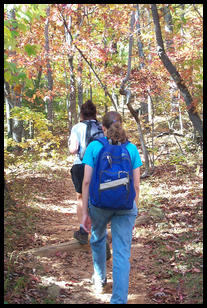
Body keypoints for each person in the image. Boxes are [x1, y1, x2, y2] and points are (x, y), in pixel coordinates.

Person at [81, 111, 142, 304]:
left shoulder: (94, 147)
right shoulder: (131, 148)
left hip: (99, 204)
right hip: (125, 206)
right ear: (121, 126)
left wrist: (85, 213)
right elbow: (137, 185)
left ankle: (100, 280)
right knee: (122, 253)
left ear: (103, 128)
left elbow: (86, 182)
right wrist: (134, 210)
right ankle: (118, 300)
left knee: (98, 238)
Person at [68, 100, 111, 260]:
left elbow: (73, 149)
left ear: (81, 113)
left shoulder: (77, 128)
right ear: (95, 113)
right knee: (97, 198)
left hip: (81, 165)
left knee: (80, 197)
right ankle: (101, 234)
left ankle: (82, 231)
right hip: (100, 166)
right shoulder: (102, 127)